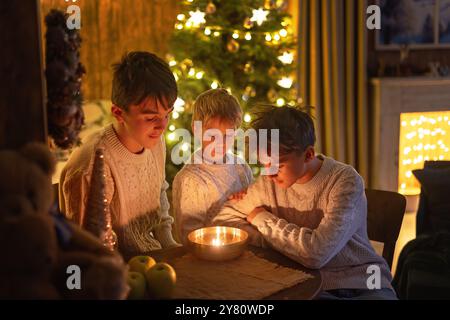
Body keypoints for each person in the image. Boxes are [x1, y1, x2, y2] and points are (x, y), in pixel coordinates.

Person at [212, 105, 397, 300]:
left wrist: (261, 219)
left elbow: (316, 254)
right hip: (305, 284)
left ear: (308, 154)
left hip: (364, 282)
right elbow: (223, 220)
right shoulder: (268, 183)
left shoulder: (345, 182)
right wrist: (274, 241)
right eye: (264, 164)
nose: (269, 172)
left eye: (278, 164)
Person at [59, 51, 179, 256]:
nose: (162, 126)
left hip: (154, 260)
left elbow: (159, 191)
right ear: (118, 113)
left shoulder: (154, 142)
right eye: (150, 118)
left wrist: (169, 246)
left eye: (167, 114)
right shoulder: (93, 167)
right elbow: (86, 249)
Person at [172, 89, 253, 244]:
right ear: (196, 130)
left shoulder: (241, 167)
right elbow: (190, 236)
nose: (220, 142)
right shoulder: (191, 180)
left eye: (227, 135)